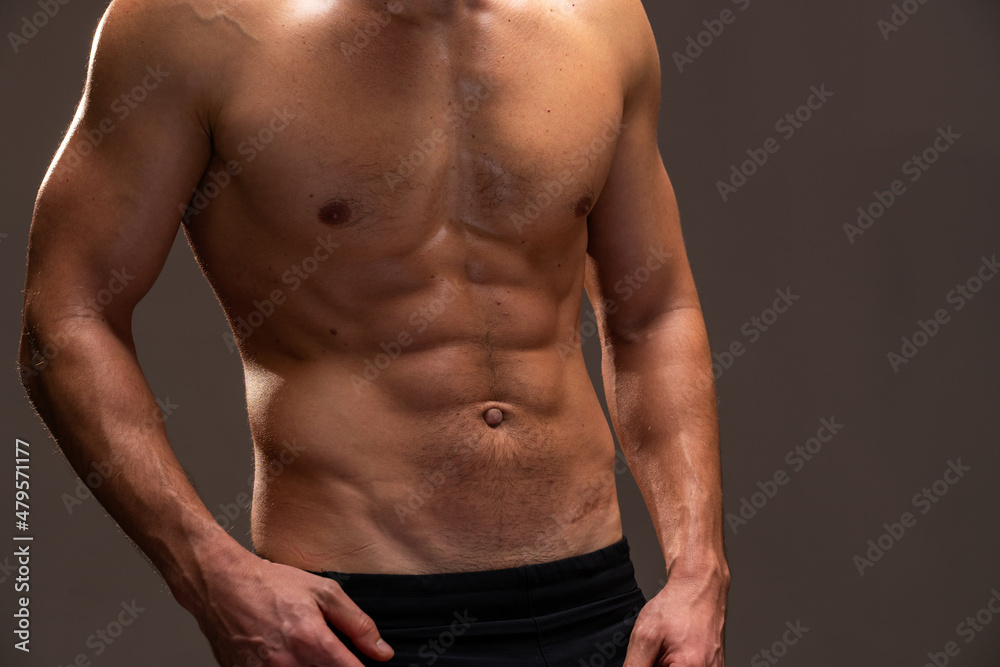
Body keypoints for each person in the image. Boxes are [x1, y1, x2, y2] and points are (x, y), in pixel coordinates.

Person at [19, 0, 729, 665]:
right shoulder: (191, 23)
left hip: (598, 607)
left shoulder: (601, 18)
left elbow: (653, 310)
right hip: (352, 625)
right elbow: (67, 316)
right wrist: (207, 571)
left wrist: (700, 568)